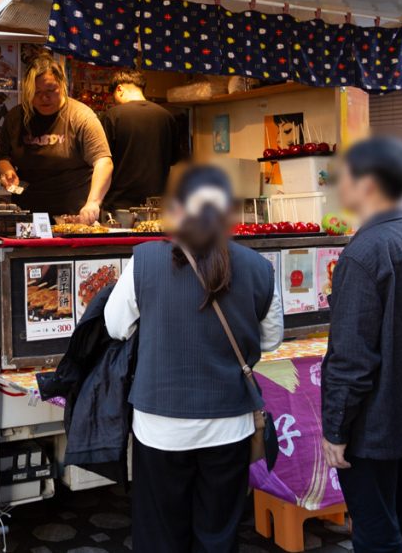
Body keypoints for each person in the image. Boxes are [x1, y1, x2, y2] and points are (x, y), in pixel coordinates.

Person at [104, 165, 283, 553]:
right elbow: (271, 341)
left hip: (160, 424)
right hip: (230, 425)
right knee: (218, 534)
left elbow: (116, 327)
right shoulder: (260, 269)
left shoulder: (144, 261)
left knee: (160, 536)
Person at [321, 136, 402, 553]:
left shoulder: (363, 253)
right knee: (399, 516)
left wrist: (336, 430)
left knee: (376, 531)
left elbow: (351, 358)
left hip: (370, 423)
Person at [0, 55, 112, 224]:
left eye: (51, 90)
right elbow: (3, 156)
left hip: (74, 213)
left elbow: (103, 162)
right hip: (27, 211)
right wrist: (7, 170)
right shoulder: (15, 117)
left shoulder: (81, 116)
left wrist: (93, 203)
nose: (44, 98)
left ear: (62, 85)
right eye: (37, 92)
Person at [99, 69, 179, 210]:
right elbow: (174, 161)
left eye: (114, 97)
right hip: (158, 205)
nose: (115, 101)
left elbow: (103, 161)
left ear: (119, 89)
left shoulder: (112, 116)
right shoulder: (167, 117)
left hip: (120, 205)